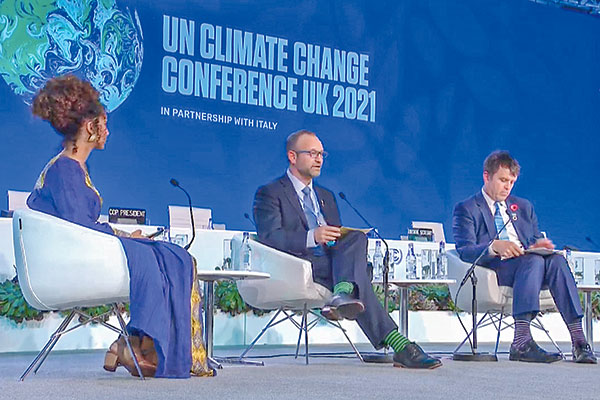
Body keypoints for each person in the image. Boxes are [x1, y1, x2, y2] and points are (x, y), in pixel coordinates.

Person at [26, 75, 215, 378]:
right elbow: (81, 231)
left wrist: (125, 236)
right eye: (104, 123)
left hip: (80, 252)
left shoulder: (71, 167)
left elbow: (82, 227)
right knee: (166, 256)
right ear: (90, 127)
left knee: (168, 255)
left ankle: (136, 343)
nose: (108, 130)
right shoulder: (65, 169)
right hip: (73, 263)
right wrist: (122, 236)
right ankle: (139, 344)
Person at [253, 129, 441, 369]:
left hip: (330, 262)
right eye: (312, 153)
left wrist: (333, 237)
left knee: (355, 239)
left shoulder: (327, 196)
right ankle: (398, 343)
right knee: (358, 272)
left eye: (321, 154)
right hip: (297, 263)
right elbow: (270, 237)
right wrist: (313, 236)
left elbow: (339, 241)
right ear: (292, 156)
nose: (319, 159)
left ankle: (342, 294)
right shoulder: (270, 193)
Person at [453, 150, 596, 364]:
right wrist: (494, 246)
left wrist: (538, 245)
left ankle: (579, 341)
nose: (507, 187)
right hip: (494, 270)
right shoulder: (467, 208)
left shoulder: (523, 207)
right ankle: (521, 341)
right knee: (533, 261)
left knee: (555, 260)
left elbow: (532, 240)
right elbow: (464, 250)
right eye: (502, 180)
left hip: (528, 267)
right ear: (486, 176)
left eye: (511, 181)